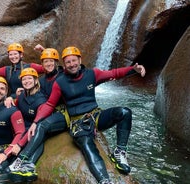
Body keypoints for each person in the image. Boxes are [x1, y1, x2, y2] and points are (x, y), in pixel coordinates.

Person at [12, 46, 146, 184]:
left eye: (74, 60)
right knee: (88, 146)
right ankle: (104, 180)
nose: (72, 64)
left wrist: (133, 70)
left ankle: (120, 152)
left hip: (96, 115)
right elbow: (50, 104)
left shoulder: (92, 74)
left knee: (124, 112)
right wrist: (36, 122)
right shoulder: (60, 82)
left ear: (80, 59)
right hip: (77, 123)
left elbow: (114, 73)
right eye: (68, 62)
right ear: (64, 65)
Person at [7, 48, 69, 183]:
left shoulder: (63, 75)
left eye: (51, 61)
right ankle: (28, 165)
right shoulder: (41, 80)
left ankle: (26, 160)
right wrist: (12, 96)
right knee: (40, 127)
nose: (48, 64)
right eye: (46, 62)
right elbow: (33, 92)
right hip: (48, 108)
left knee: (41, 127)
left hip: (58, 112)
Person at [0, 68, 47, 182]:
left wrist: (19, 145)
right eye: (24, 79)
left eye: (29, 79)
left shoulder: (42, 100)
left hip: (33, 134)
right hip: (20, 132)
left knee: (15, 175)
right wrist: (11, 98)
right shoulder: (21, 95)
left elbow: (35, 127)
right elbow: (15, 109)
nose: (26, 81)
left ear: (36, 81)